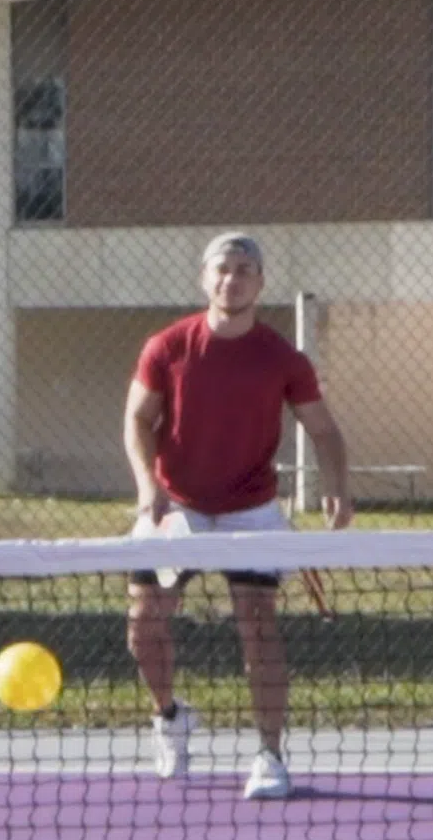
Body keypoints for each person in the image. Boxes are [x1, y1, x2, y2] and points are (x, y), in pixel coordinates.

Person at [123, 233, 352, 801]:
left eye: (245, 269)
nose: (233, 279)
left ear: (260, 283)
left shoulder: (283, 359)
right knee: (144, 621)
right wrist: (147, 485)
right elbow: (136, 420)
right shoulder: (167, 347)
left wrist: (338, 490)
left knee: (258, 625)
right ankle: (169, 718)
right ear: (205, 278)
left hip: (251, 510)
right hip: (177, 506)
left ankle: (271, 757)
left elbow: (323, 430)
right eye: (223, 269)